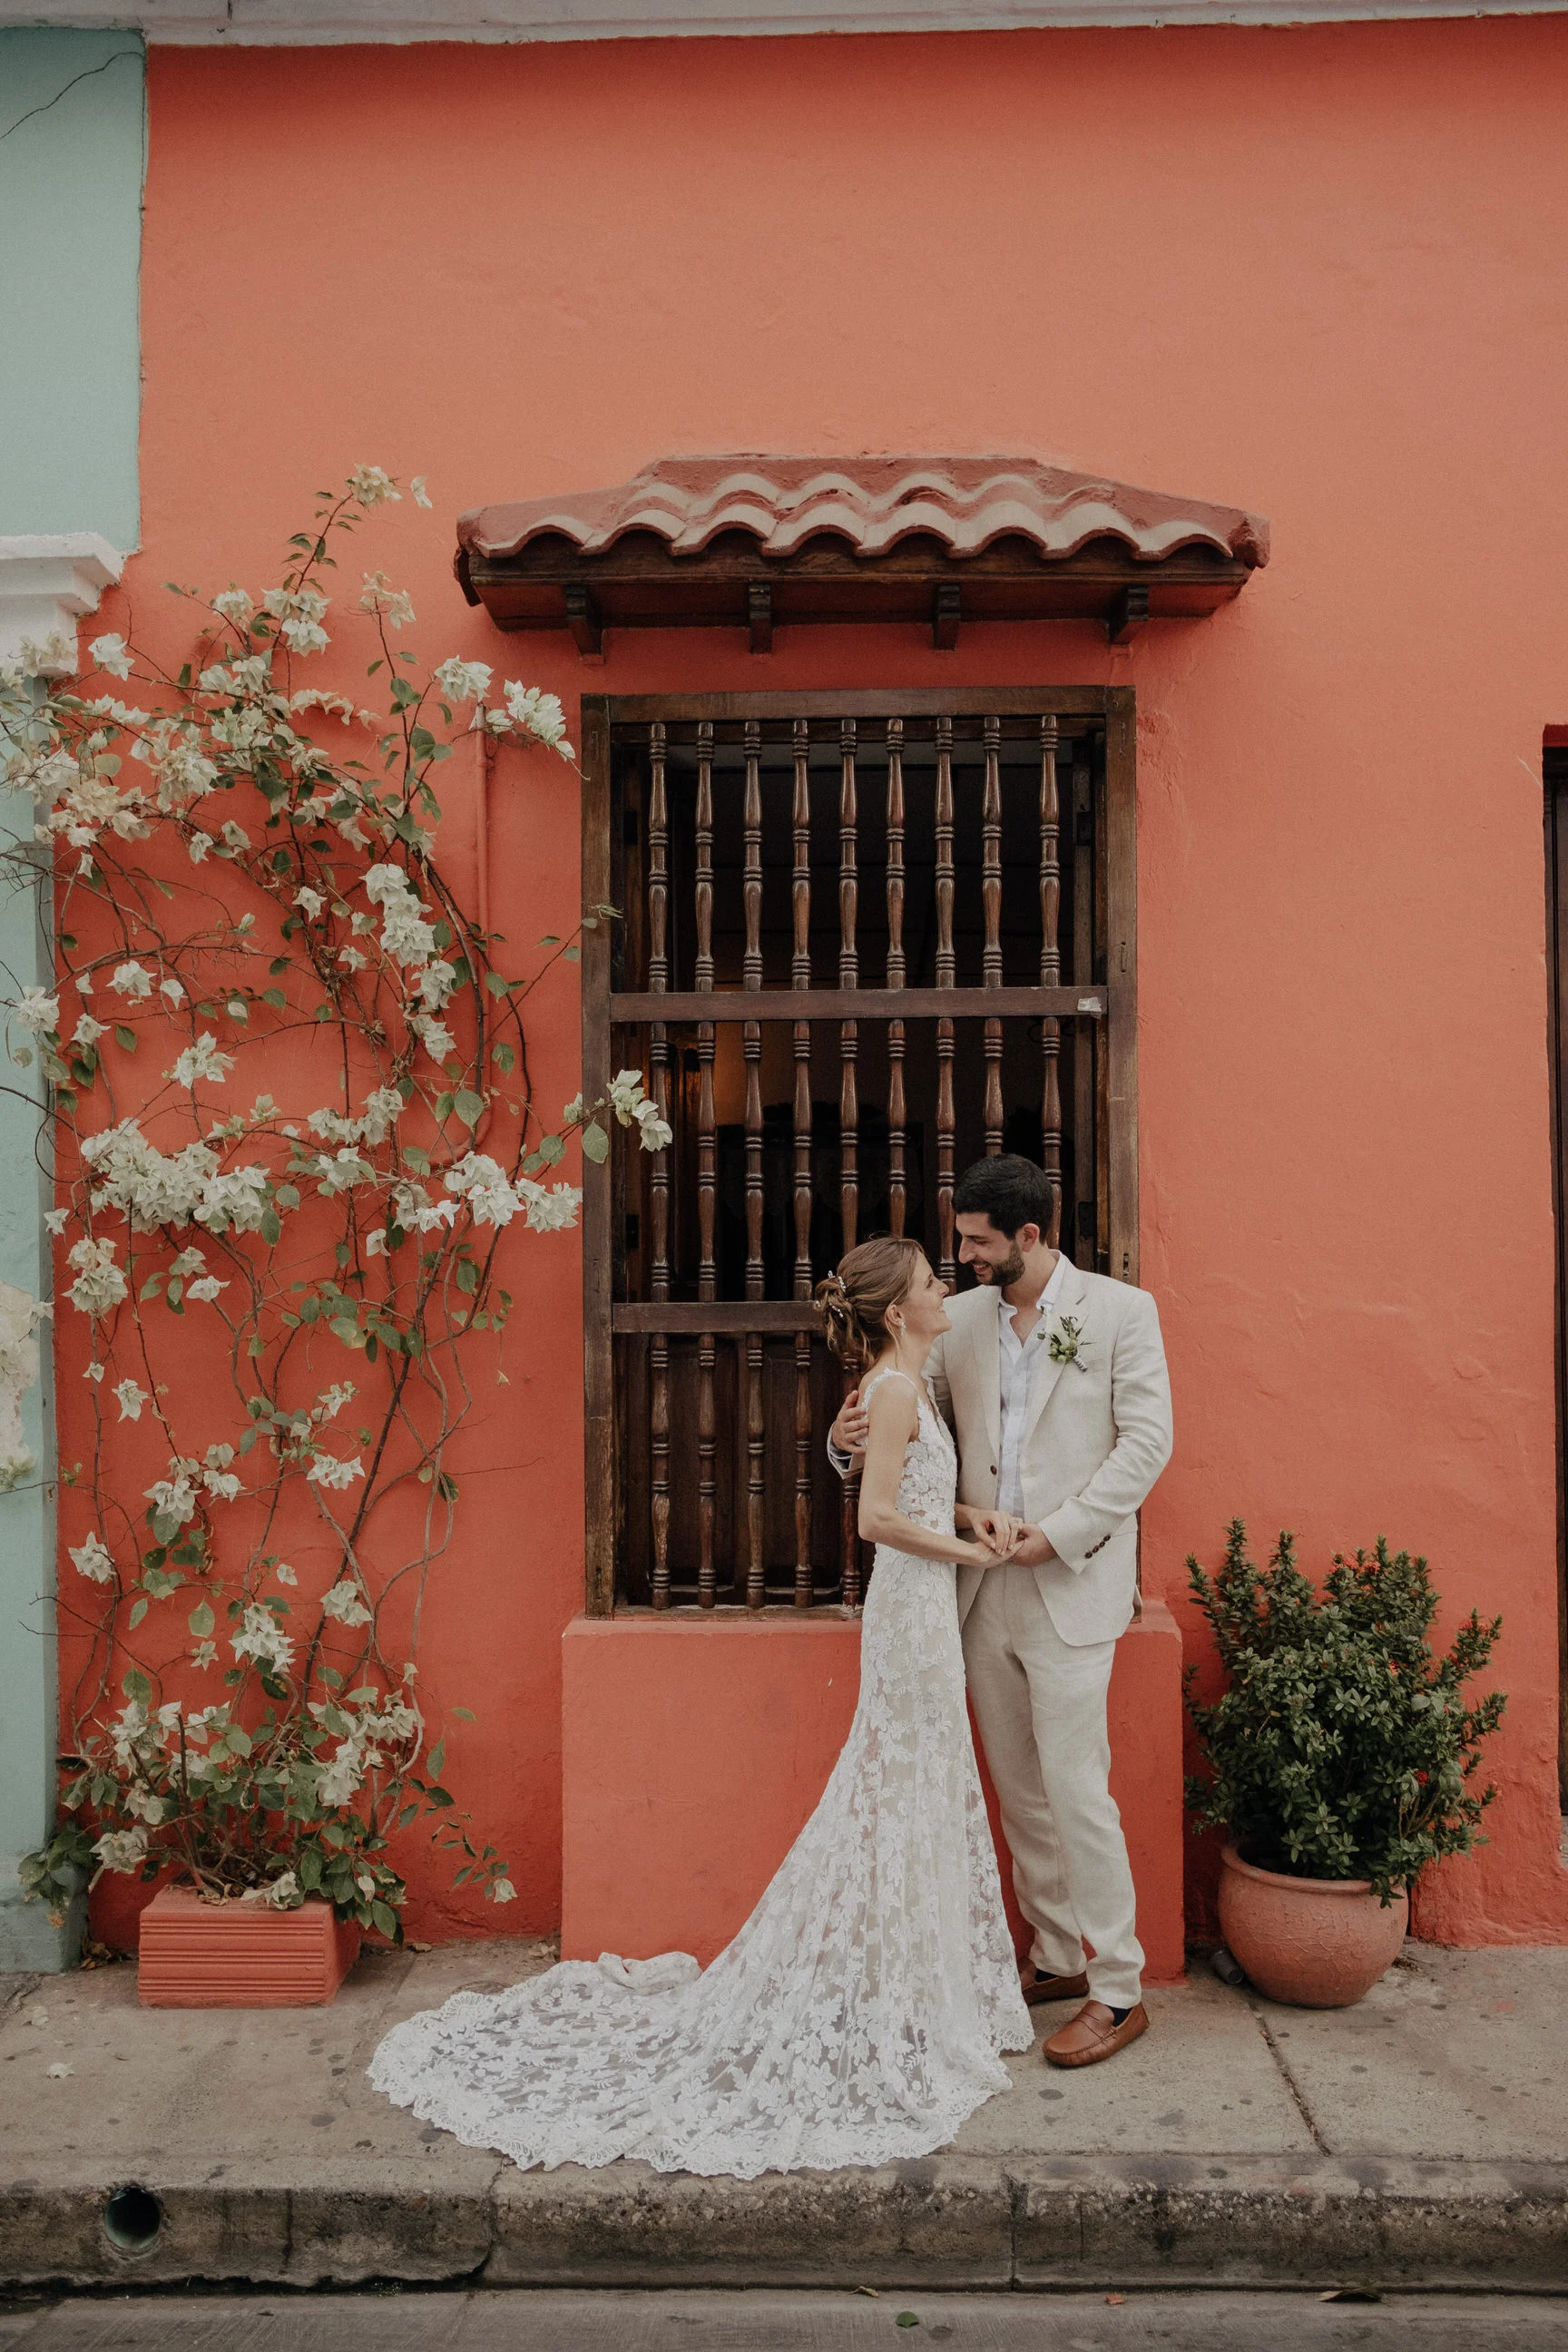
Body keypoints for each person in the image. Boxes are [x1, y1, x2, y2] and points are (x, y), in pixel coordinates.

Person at [368, 1236, 1033, 2176]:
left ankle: (916, 1991)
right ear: (897, 1312)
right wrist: (972, 1557)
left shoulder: (909, 1386)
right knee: (895, 1787)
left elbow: (923, 1495)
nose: (946, 1291)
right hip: (910, 1615)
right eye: (932, 1283)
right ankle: (899, 1994)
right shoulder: (888, 1392)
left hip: (926, 1615)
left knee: (917, 1790)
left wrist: (973, 1520)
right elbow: (878, 1519)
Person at [829, 1156, 1173, 2068]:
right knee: (1018, 1787)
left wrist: (1057, 1533)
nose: (963, 1256)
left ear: (1027, 1236)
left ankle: (1118, 1988)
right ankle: (1058, 1956)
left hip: (1068, 1580)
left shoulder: (1120, 1314)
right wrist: (840, 1439)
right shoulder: (961, 1321)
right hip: (974, 1591)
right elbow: (903, 1417)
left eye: (977, 1241)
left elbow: (1147, 1445)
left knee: (1077, 1789)